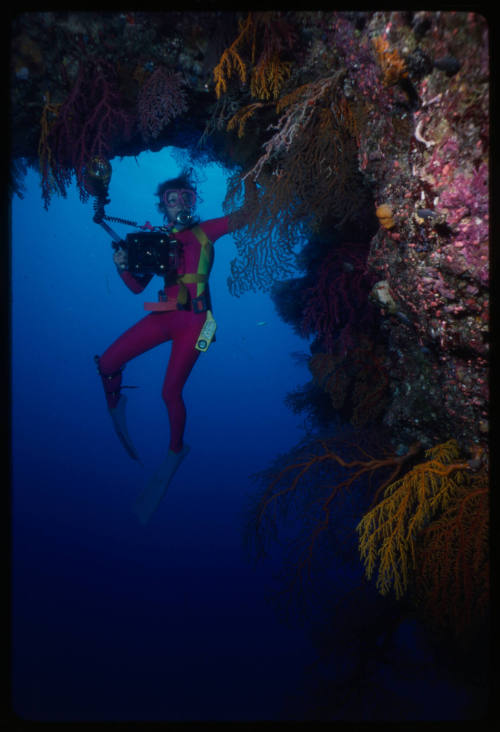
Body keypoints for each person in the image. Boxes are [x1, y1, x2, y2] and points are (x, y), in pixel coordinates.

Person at [95, 169, 252, 525]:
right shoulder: (156, 239)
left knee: (169, 393)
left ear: (193, 201)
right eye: (171, 198)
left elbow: (247, 216)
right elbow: (137, 289)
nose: (179, 201)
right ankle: (115, 405)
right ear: (162, 206)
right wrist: (122, 266)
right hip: (163, 316)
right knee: (106, 363)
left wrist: (257, 181)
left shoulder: (204, 231)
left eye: (185, 196)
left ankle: (176, 451)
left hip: (196, 323)